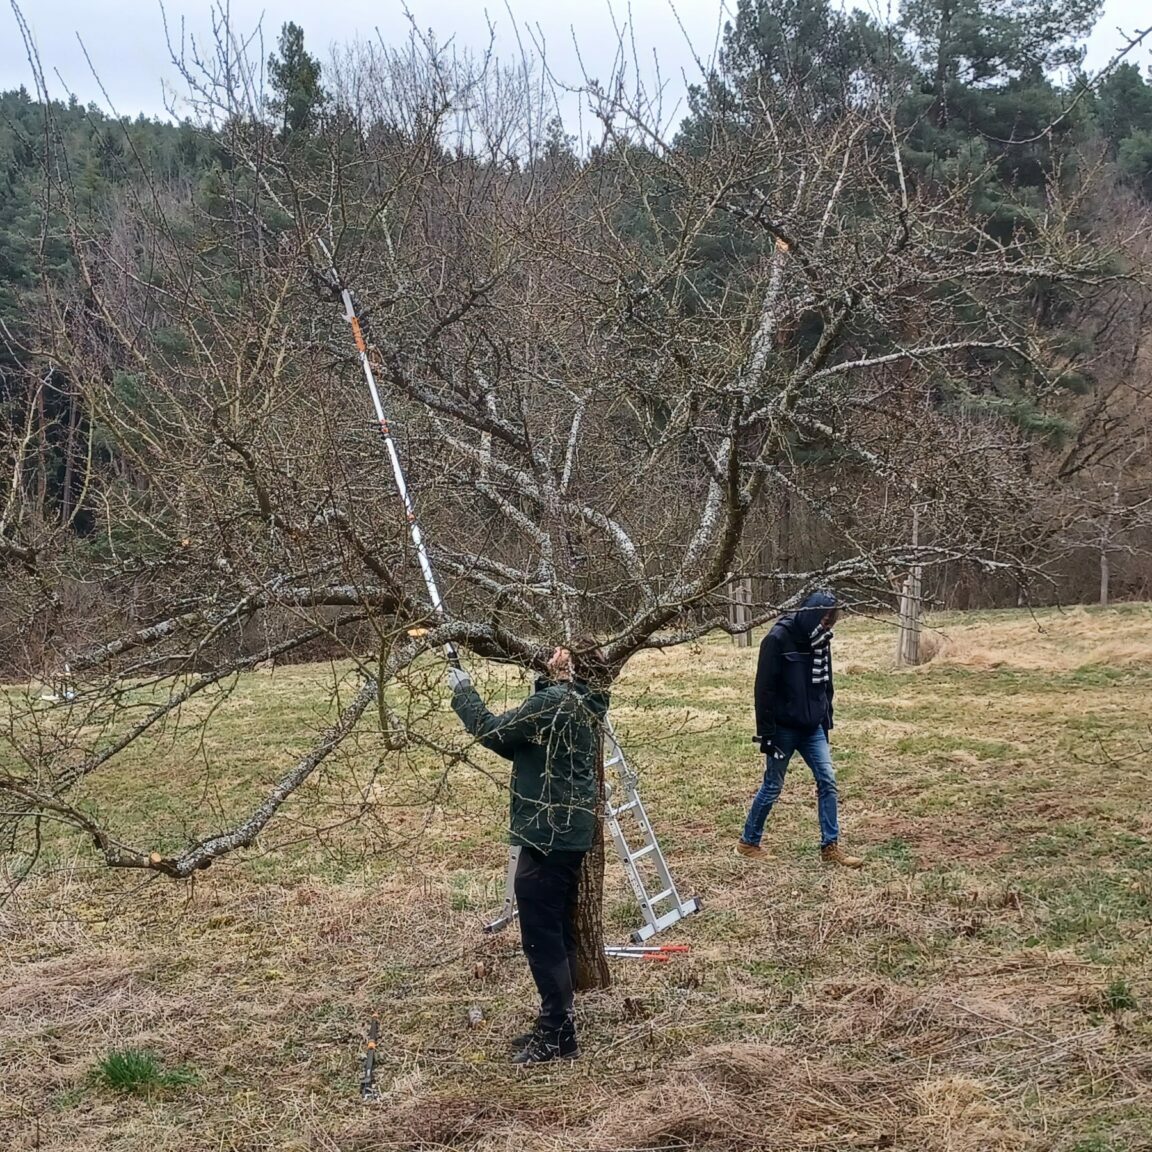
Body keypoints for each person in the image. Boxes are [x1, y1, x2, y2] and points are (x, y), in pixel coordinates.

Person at [447, 637, 610, 1065]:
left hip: (548, 833)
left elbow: (492, 731)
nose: (553, 652)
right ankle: (556, 1025)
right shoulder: (581, 700)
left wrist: (463, 691)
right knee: (557, 930)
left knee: (543, 938)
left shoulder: (558, 701)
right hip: (566, 831)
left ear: (571, 667)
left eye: (562, 653)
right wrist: (548, 681)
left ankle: (558, 1034)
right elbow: (520, 740)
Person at [736, 590, 864, 868]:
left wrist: (825, 720)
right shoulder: (777, 639)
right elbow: (764, 690)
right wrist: (766, 733)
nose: (828, 625)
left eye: (832, 620)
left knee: (827, 780)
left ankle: (830, 847)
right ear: (813, 614)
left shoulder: (821, 641)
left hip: (812, 727)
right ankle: (748, 842)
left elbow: (825, 684)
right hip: (783, 729)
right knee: (773, 786)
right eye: (825, 619)